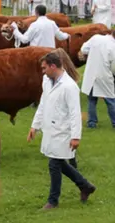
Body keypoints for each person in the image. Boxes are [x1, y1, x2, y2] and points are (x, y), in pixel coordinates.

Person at [28, 50, 96, 210]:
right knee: (58, 162)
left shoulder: (69, 86)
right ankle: (85, 185)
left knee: (54, 163)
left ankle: (53, 200)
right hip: (50, 128)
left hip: (62, 130)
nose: (43, 71)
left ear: (53, 66)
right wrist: (34, 126)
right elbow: (43, 103)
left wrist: (76, 136)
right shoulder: (47, 80)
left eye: (45, 68)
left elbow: (74, 112)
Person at [79, 31, 115, 129]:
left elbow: (84, 49)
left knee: (92, 100)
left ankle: (92, 123)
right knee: (110, 100)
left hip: (91, 73)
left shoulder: (96, 38)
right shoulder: (113, 46)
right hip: (104, 75)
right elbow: (114, 67)